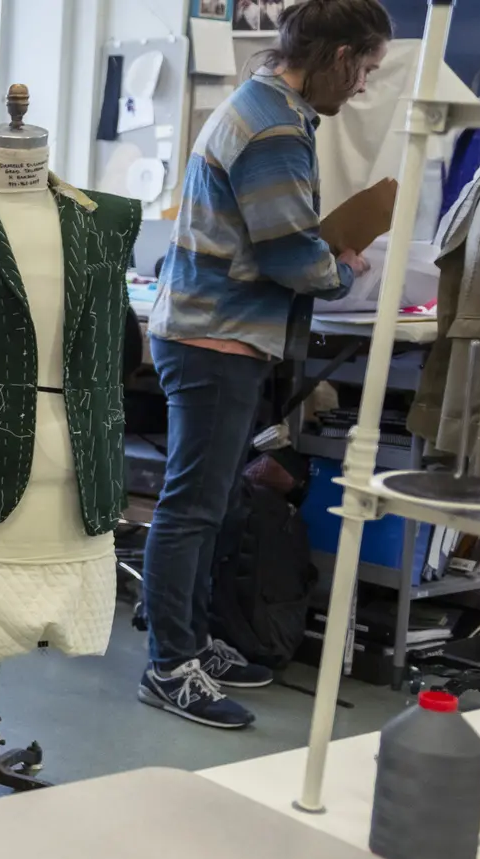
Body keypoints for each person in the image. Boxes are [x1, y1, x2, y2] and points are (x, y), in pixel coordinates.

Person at [139, 0, 388, 729]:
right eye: (366, 69)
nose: (365, 87)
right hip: (215, 340)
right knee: (191, 508)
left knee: (211, 505)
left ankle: (192, 642)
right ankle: (169, 665)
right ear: (340, 56)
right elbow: (286, 252)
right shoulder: (276, 124)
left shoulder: (264, 104)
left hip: (216, 334)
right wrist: (341, 270)